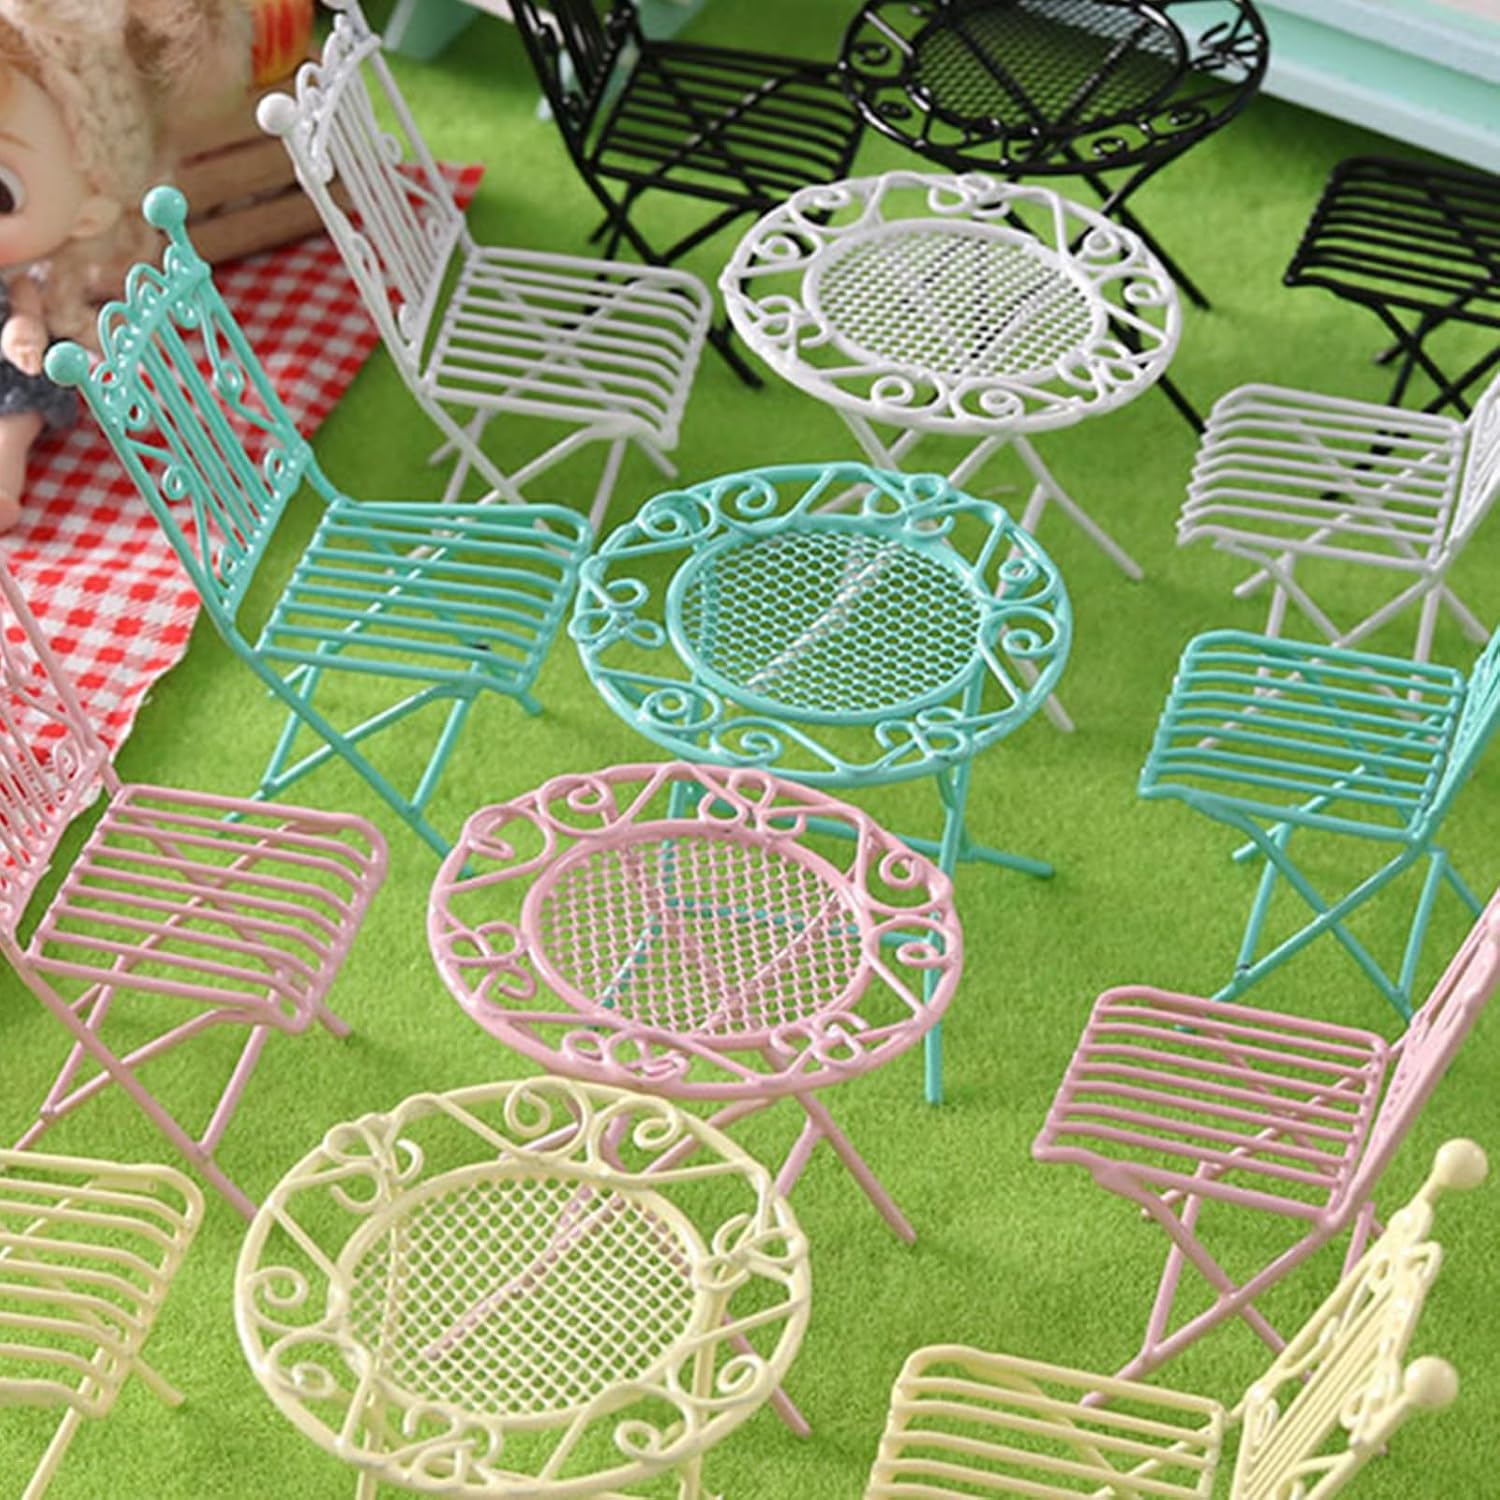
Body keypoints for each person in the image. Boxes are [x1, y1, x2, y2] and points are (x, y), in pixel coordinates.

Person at [0, 0, 250, 531]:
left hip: (8, 379)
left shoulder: (23, 282)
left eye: (4, 196)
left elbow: (25, 313)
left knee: (11, 422)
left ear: (90, 213)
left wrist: (23, 332)